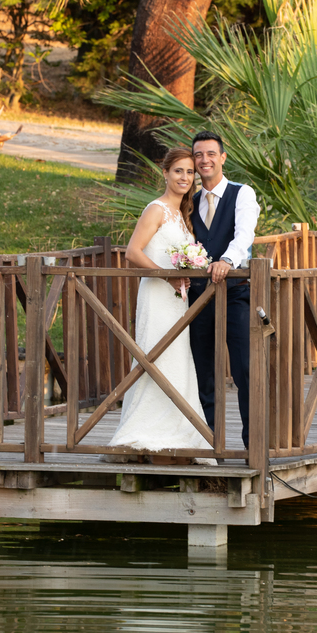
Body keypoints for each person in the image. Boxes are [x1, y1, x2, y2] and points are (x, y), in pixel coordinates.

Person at [106, 148, 214, 463]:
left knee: (177, 359)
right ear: (165, 173)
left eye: (190, 172)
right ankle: (143, 432)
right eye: (178, 171)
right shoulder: (156, 209)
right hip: (156, 294)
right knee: (153, 356)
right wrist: (165, 277)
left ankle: (179, 432)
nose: (185, 177)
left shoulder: (184, 214)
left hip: (176, 299)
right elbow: (133, 252)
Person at [188, 130, 260, 449]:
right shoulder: (188, 201)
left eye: (210, 154)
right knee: (203, 372)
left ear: (222, 158)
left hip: (235, 294)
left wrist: (228, 259)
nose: (204, 160)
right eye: (198, 155)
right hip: (199, 298)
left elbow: (244, 234)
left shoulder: (241, 193)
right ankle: (211, 444)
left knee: (245, 369)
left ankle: (252, 444)